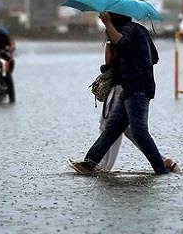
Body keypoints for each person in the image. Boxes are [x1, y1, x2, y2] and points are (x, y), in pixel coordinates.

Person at [70, 12, 169, 175]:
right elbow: (152, 57)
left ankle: (161, 168)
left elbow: (122, 42)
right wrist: (127, 53)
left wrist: (107, 24)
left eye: (110, 18)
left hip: (138, 88)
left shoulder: (130, 30)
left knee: (139, 131)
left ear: (115, 19)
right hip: (129, 88)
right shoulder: (139, 31)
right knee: (112, 129)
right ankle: (89, 164)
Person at [96, 34, 179, 173]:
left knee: (109, 125)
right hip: (130, 87)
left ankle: (102, 165)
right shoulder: (133, 35)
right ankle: (163, 161)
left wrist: (109, 42)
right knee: (127, 129)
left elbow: (110, 63)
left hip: (122, 87)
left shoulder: (120, 37)